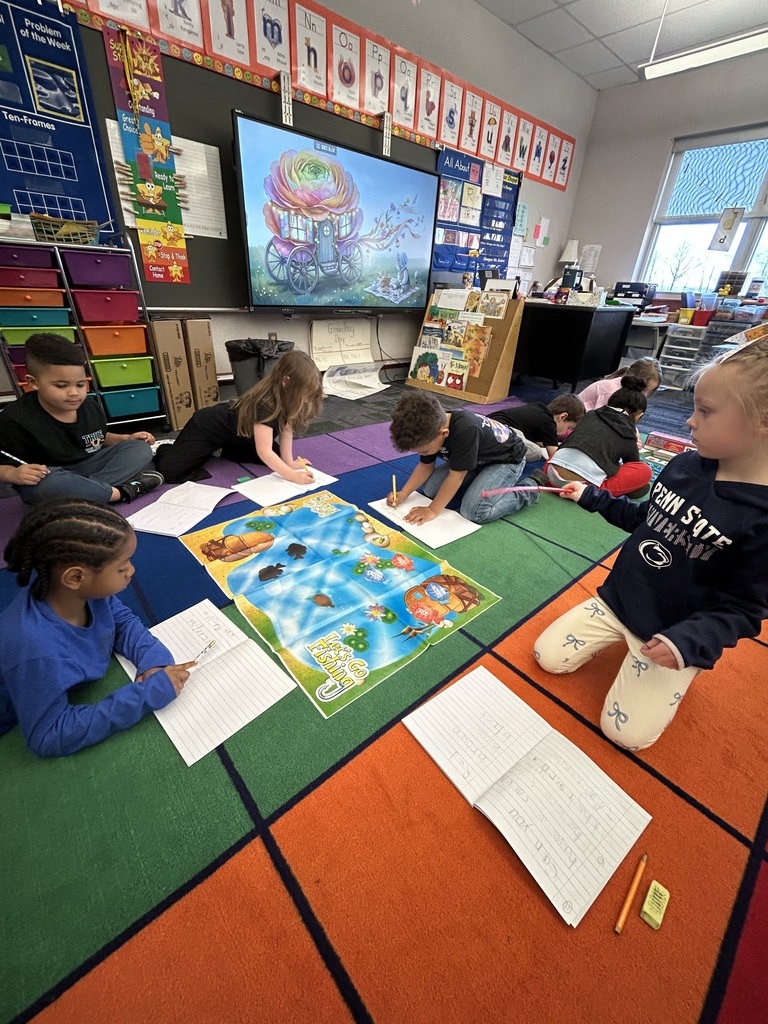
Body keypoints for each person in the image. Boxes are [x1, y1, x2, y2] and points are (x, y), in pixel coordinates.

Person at [533, 337, 768, 751]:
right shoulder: (684, 465)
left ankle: (678, 668)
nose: (689, 422)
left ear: (763, 421)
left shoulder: (762, 517)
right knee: (546, 657)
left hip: (671, 629)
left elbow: (745, 608)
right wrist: (591, 496)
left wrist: (688, 642)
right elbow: (648, 521)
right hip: (620, 600)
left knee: (624, 734)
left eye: (705, 411)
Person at [0, 500, 194, 758]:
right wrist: (143, 696)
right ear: (75, 577)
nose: (132, 572)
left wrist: (152, 660)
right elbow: (48, 735)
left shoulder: (82, 594)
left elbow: (121, 622)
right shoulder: (36, 649)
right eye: (122, 567)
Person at [0, 333, 162, 505]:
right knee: (50, 484)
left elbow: (96, 437)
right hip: (49, 476)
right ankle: (119, 493)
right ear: (33, 382)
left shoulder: (88, 405)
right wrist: (13, 474)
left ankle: (90, 492)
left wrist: (125, 439)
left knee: (139, 449)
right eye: (61, 386)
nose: (74, 393)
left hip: (89, 466)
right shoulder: (13, 420)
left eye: (80, 384)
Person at [154, 350, 324, 484]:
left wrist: (288, 462)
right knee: (171, 471)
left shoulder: (289, 397)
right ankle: (166, 446)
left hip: (240, 434)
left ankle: (228, 449)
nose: (306, 400)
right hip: (207, 427)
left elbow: (287, 428)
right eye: (304, 394)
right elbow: (264, 451)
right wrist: (292, 477)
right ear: (286, 382)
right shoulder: (265, 404)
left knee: (276, 459)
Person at [387, 391, 538, 525]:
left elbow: (456, 476)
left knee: (473, 512)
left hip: (506, 459)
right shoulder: (430, 427)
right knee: (430, 490)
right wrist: (404, 493)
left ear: (444, 433)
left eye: (425, 451)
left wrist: (433, 510)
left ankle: (529, 489)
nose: (423, 455)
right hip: (477, 458)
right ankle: (480, 478)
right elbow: (425, 466)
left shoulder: (466, 430)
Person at [542, 376, 652, 499]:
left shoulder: (590, 414)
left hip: (549, 476)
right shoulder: (629, 432)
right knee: (644, 471)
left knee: (564, 450)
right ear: (639, 416)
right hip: (581, 489)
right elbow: (632, 465)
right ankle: (607, 491)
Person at [494, 393, 585, 460]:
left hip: (492, 424)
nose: (566, 432)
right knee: (535, 451)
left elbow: (542, 441)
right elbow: (555, 456)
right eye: (569, 427)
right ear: (563, 417)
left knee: (531, 443)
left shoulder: (540, 409)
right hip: (502, 430)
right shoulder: (548, 423)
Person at [577, 357, 662, 412]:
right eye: (644, 390)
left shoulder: (625, 392)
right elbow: (600, 420)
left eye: (649, 392)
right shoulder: (611, 391)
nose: (645, 395)